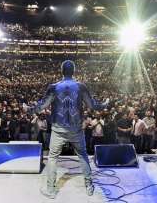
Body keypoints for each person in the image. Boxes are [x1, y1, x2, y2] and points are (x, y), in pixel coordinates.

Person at [26, 60, 109, 199]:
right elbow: (93, 105)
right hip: (76, 129)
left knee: (52, 158)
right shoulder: (80, 86)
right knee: (82, 156)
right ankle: (89, 186)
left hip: (58, 130)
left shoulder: (54, 87)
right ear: (74, 71)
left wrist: (29, 110)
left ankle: (51, 190)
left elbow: (41, 106)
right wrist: (105, 104)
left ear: (61, 71)